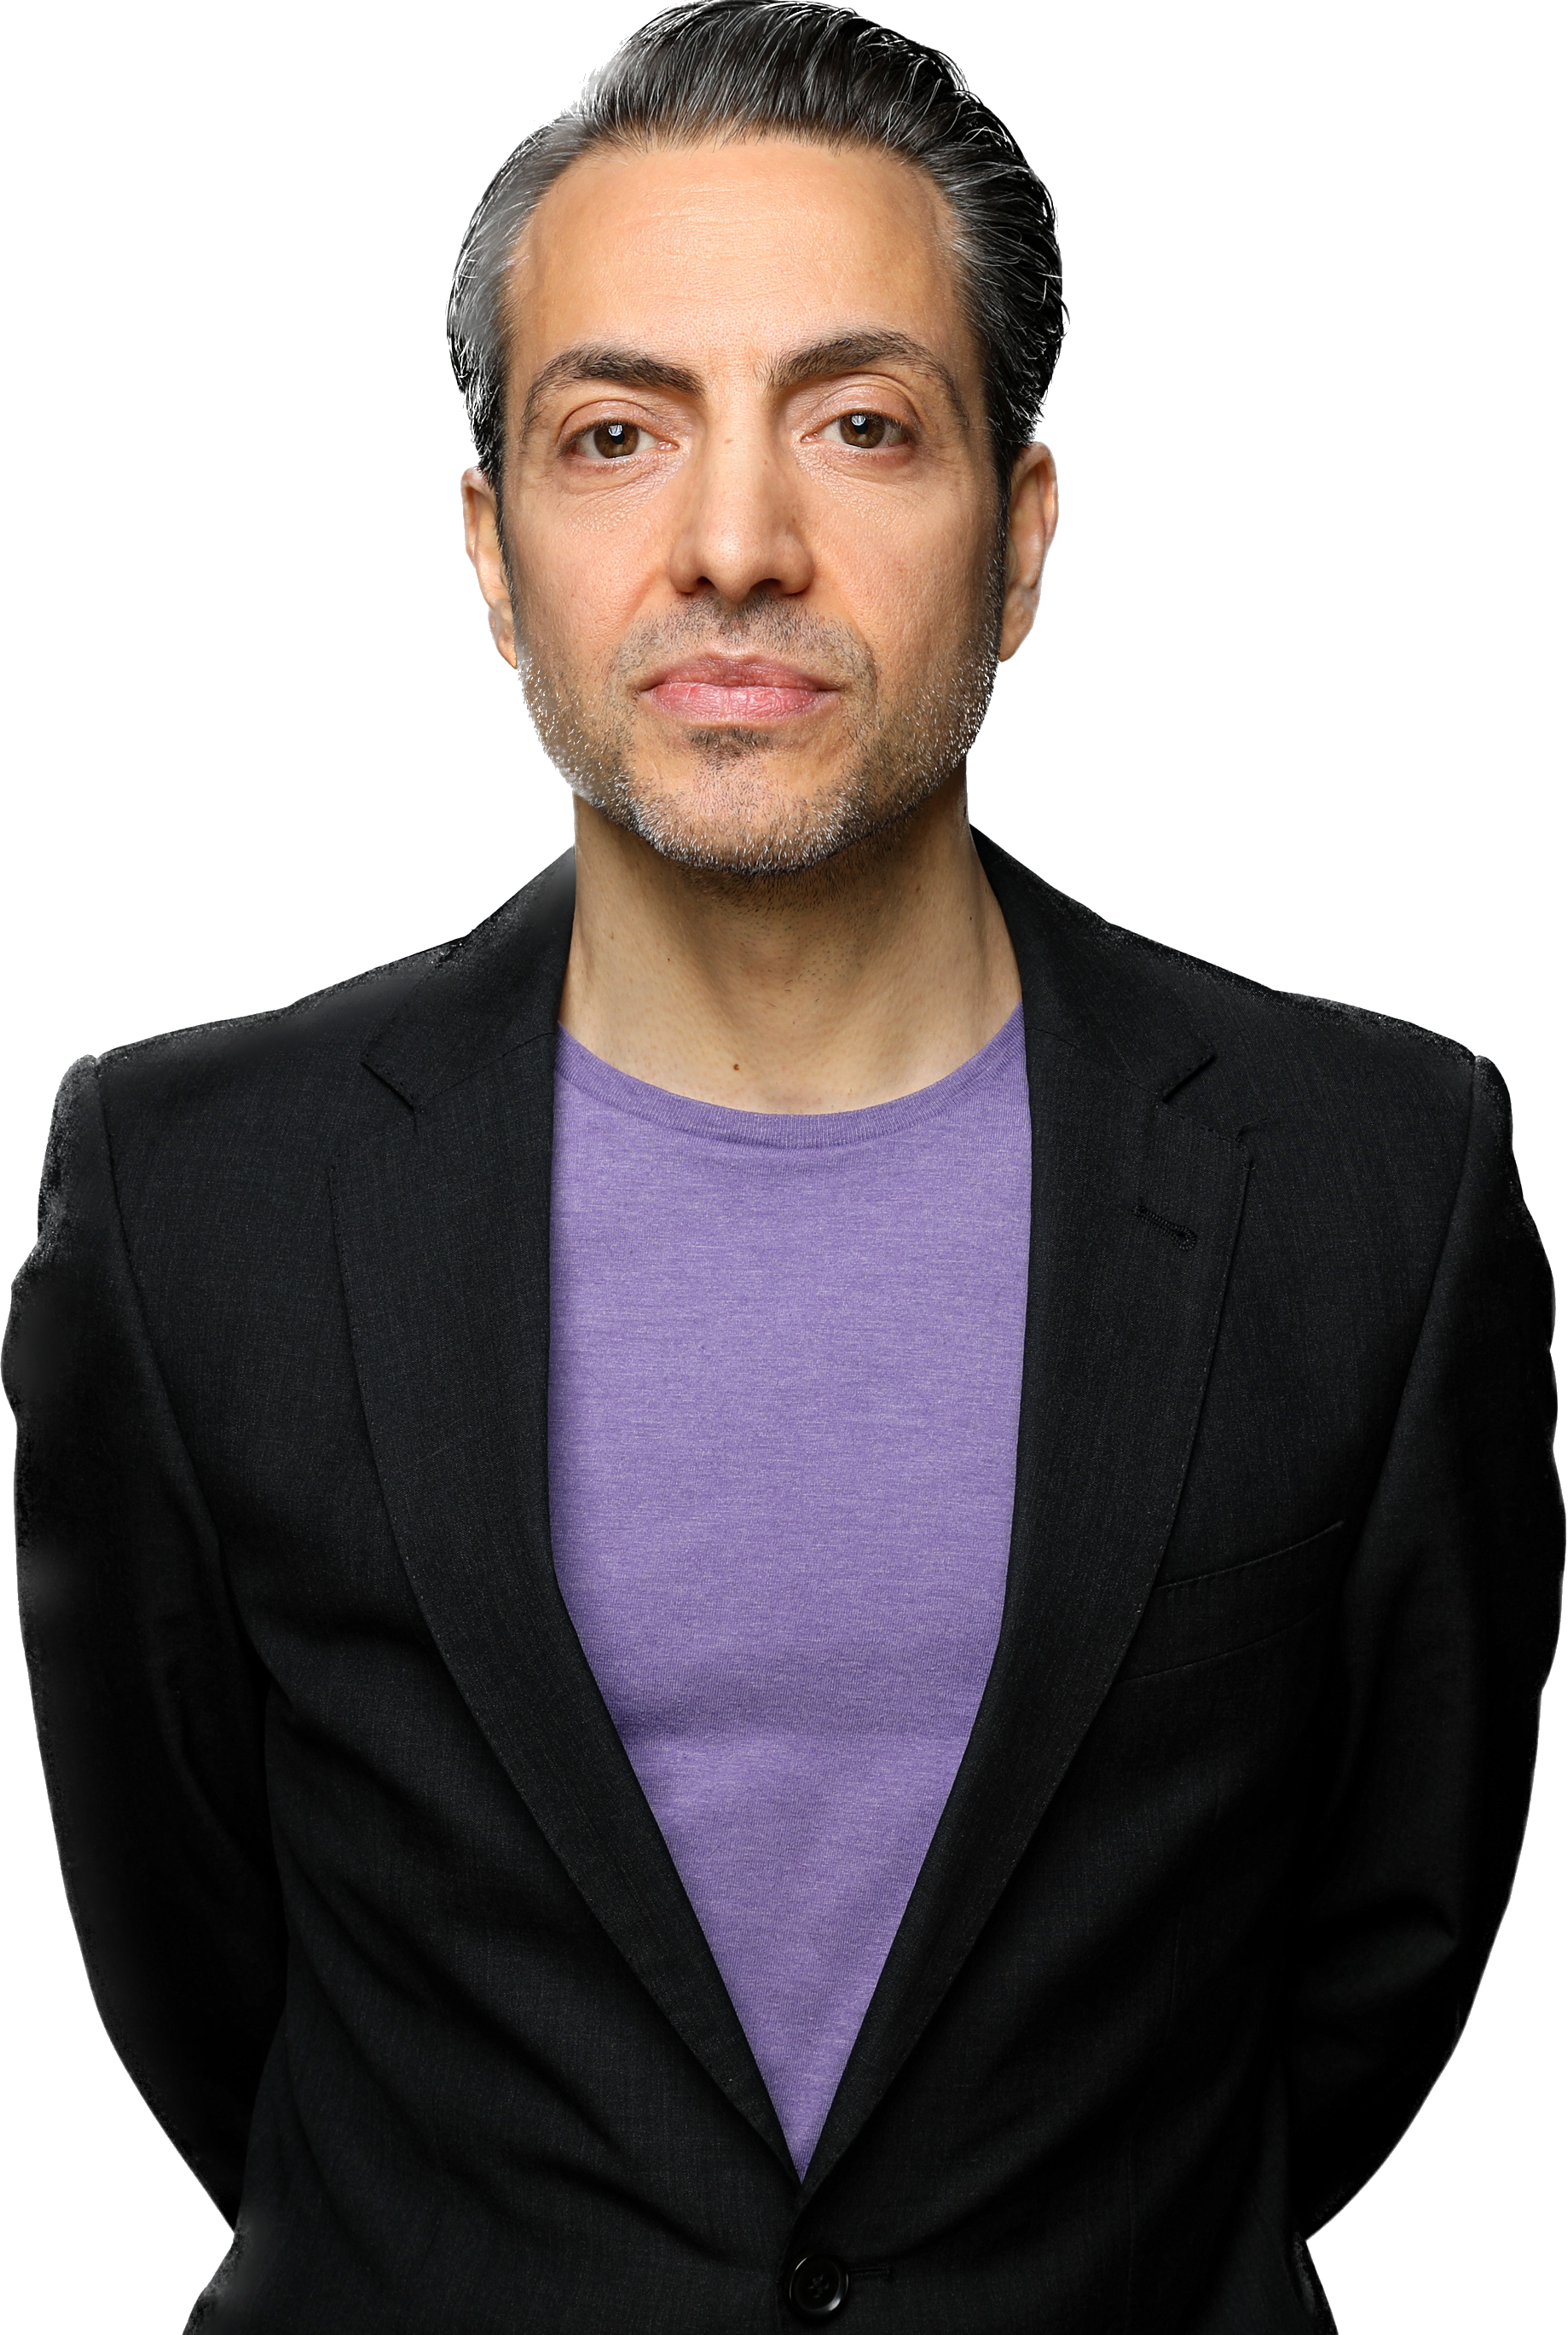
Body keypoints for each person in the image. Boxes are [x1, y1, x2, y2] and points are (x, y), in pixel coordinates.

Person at [8, 5, 1559, 2329]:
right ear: (492, 558)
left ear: (1019, 538)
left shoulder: (1379, 1184)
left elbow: (1389, 1950)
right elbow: (185, 1954)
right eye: (613, 433)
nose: (735, 546)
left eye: (859, 422)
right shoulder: (185, 1201)